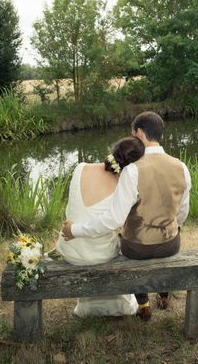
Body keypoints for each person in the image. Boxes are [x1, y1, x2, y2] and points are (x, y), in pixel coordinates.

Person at [61, 111, 191, 321]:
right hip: (170, 244)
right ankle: (164, 293)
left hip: (137, 248)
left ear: (139, 133)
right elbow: (182, 211)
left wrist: (74, 230)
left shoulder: (132, 171)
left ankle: (144, 303)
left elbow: (114, 219)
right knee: (164, 240)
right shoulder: (181, 167)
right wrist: (173, 229)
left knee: (126, 242)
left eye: (132, 132)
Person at [55, 136, 145, 318]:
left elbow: (71, 207)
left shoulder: (80, 168)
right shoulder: (124, 187)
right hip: (100, 255)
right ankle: (120, 304)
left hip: (71, 250)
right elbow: (118, 221)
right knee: (123, 244)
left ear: (114, 150)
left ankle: (90, 306)